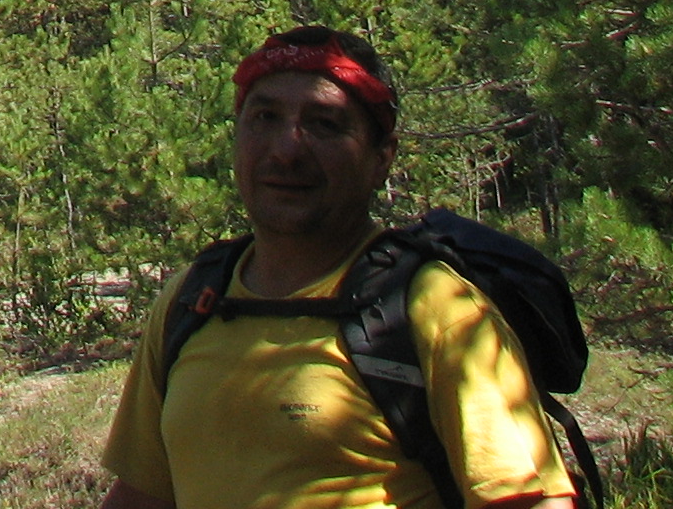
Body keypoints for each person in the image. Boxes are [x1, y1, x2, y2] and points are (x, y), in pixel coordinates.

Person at [99, 26, 577, 509]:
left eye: (325, 124)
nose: (286, 149)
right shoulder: (193, 299)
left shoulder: (437, 308)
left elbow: (532, 501)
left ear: (381, 158)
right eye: (264, 117)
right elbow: (142, 493)